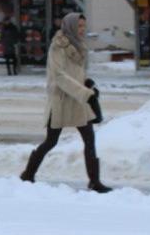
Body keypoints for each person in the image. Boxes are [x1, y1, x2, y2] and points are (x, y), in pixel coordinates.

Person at [18, 12, 111, 193]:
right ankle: (28, 174)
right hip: (61, 100)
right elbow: (60, 76)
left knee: (90, 139)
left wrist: (87, 82)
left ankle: (95, 181)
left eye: (84, 26)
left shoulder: (79, 45)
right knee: (51, 141)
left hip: (77, 99)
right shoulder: (57, 47)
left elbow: (74, 73)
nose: (83, 30)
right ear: (70, 26)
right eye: (80, 26)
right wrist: (85, 93)